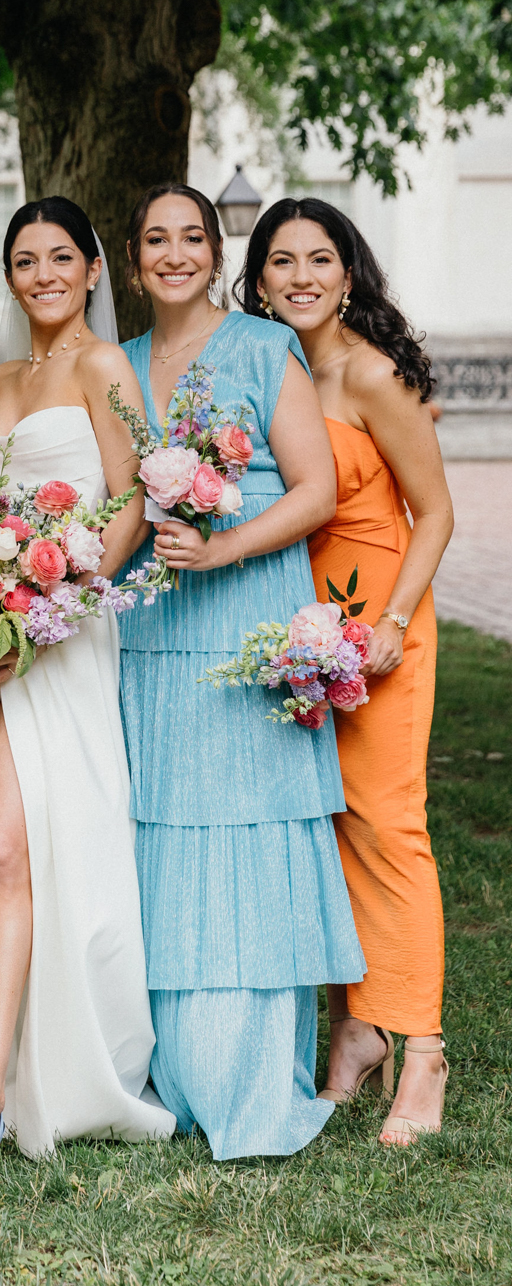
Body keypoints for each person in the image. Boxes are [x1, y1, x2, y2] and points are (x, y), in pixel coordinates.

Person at [0, 197, 177, 1197]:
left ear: (93, 268)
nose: (41, 276)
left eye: (59, 259)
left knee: (12, 847)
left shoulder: (107, 370)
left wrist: (50, 616)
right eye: (23, 261)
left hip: (67, 635)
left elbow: (128, 504)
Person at [117, 184, 364, 1162]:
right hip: (152, 630)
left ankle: (256, 1081)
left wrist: (221, 551)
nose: (174, 254)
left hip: (248, 618)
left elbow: (317, 488)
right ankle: (175, 1071)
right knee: (166, 834)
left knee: (248, 832)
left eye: (192, 237)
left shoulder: (266, 350)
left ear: (216, 251)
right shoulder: (120, 367)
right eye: (154, 240)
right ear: (132, 259)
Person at [241, 199, 453, 1145]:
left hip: (380, 629)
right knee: (327, 830)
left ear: (349, 273)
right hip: (304, 632)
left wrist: (396, 623)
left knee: (389, 829)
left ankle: (425, 1054)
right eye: (281, 261)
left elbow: (437, 513)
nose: (299, 277)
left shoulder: (369, 375)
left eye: (318, 259)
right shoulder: (275, 368)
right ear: (257, 278)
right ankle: (357, 1026)